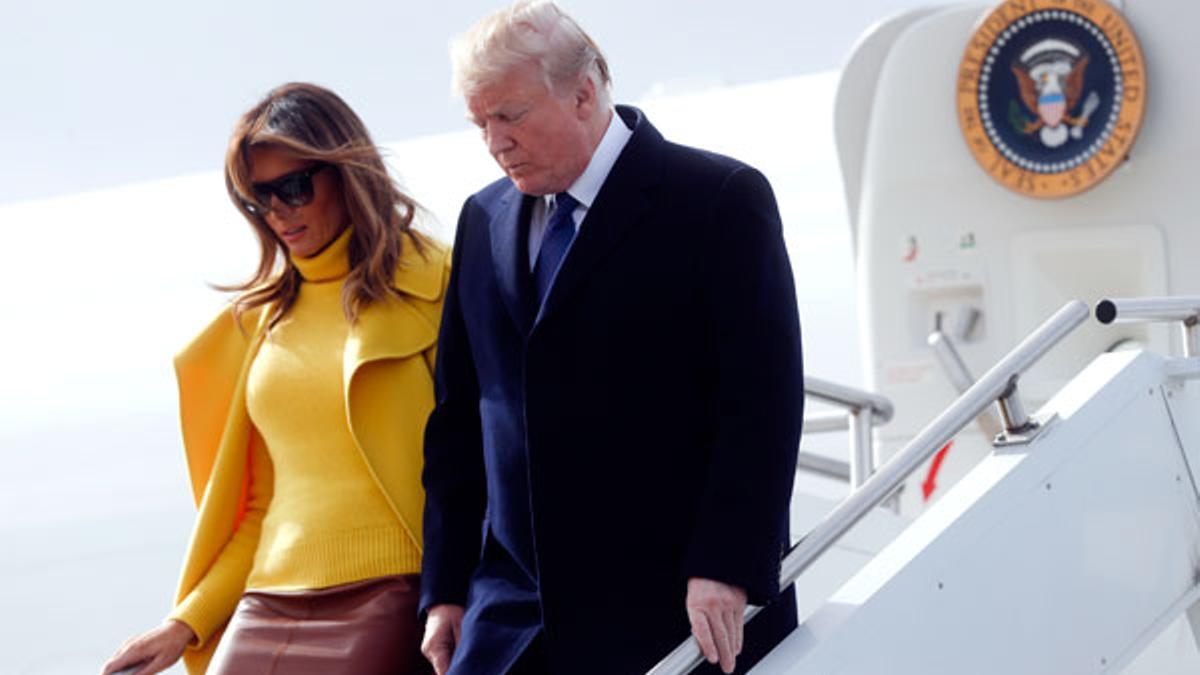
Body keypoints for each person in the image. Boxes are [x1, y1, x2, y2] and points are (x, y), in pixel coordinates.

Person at [419, 2, 805, 674]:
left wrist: (727, 565)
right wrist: (445, 587)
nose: (494, 141)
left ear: (583, 93)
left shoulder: (718, 199)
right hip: (512, 617)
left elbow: (762, 403)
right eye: (480, 123)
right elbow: (461, 416)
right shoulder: (482, 218)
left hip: (672, 605)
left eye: (509, 115)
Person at [101, 82, 449, 675]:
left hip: (390, 592)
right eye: (258, 199)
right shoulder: (260, 323)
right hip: (267, 600)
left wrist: (455, 595)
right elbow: (261, 504)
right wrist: (185, 622)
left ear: (346, 172)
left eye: (293, 187)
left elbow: (480, 462)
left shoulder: (440, 281)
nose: (278, 212)